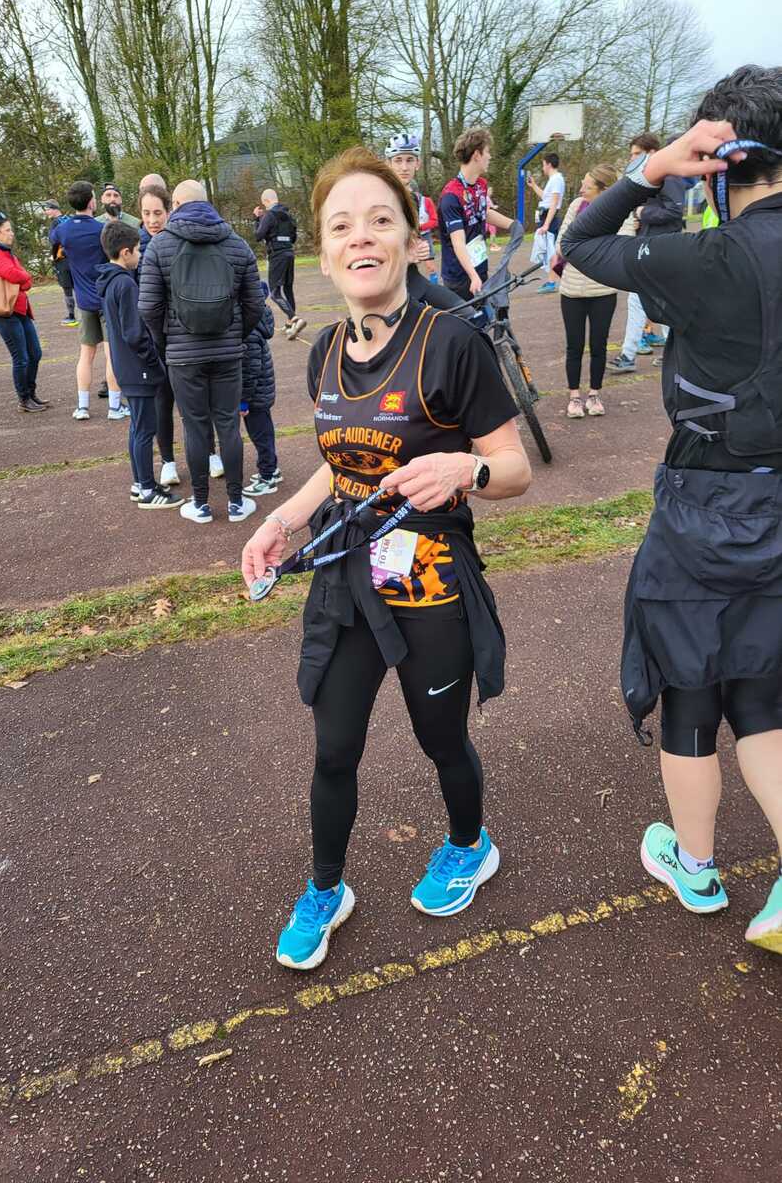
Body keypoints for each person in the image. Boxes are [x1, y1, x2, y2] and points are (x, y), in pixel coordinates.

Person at [240, 146, 531, 971]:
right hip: (349, 579)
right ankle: (326, 888)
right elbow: (342, 461)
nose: (360, 237)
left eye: (379, 221)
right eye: (341, 226)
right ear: (324, 251)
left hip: (431, 581)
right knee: (334, 747)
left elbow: (514, 469)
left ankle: (470, 845)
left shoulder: (454, 344)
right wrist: (282, 520)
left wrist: (466, 470)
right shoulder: (324, 352)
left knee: (442, 740)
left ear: (410, 239)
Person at [562, 64, 782, 956]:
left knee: (690, 681)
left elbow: (581, 242)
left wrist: (651, 171)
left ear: (719, 159)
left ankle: (695, 866)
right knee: (762, 690)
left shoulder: (711, 256)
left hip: (703, 503)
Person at [139, 179, 265, 523]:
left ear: (176, 205)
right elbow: (256, 304)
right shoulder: (236, 243)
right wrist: (237, 334)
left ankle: (201, 503)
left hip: (183, 355)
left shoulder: (159, 246)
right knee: (228, 425)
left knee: (194, 426)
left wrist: (166, 340)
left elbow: (148, 307)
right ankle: (237, 501)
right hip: (228, 352)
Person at [96, 221, 182, 510]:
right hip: (138, 369)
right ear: (125, 252)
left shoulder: (111, 281)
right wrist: (153, 361)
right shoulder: (125, 284)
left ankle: (140, 483)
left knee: (137, 428)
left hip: (126, 367)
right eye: (138, 250)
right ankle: (146, 488)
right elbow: (135, 334)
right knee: (145, 429)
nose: (141, 255)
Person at [556, 164, 635, 418]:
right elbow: (561, 246)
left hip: (603, 291)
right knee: (574, 346)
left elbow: (622, 248)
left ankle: (594, 394)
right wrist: (597, 249)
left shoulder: (621, 212)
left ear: (603, 190)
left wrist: (581, 248)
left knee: (599, 345)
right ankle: (574, 397)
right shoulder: (576, 206)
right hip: (572, 290)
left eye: (587, 185)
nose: (581, 188)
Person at [607, 133, 688, 373]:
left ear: (652, 152)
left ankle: (630, 355)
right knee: (657, 301)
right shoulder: (651, 177)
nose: (632, 158)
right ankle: (666, 352)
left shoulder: (669, 175)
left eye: (636, 153)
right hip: (650, 247)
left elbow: (675, 212)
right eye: (631, 154)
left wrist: (643, 213)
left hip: (662, 248)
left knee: (646, 300)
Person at [50, 180, 129, 421]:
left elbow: (54, 242)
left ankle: (82, 407)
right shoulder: (101, 229)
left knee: (86, 355)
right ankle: (114, 407)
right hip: (106, 299)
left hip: (83, 302)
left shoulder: (63, 230)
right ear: (92, 202)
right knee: (113, 354)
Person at [0, 212, 48, 413]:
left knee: (35, 353)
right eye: (7, 230)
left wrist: (23, 278)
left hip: (20, 309)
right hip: (4, 313)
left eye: (11, 230)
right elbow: (14, 274)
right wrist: (24, 277)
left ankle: (31, 393)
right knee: (21, 358)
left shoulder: (7, 252)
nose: (12, 233)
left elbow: (24, 281)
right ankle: (24, 399)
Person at [438, 126, 517, 300]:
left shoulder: (481, 185)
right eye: (487, 152)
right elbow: (458, 242)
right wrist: (473, 276)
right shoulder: (451, 196)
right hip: (460, 277)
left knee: (488, 315)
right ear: (476, 155)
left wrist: (512, 225)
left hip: (479, 267)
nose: (490, 157)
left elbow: (483, 213)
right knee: (468, 318)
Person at [137, 182, 180, 488]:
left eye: (157, 213)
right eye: (146, 213)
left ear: (168, 212)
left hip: (182, 336)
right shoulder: (134, 247)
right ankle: (168, 461)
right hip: (153, 340)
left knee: (194, 403)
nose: (152, 220)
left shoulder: (180, 242)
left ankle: (210, 453)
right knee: (161, 402)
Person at [241, 282, 282, 497]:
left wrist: (243, 401)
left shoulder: (249, 333)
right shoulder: (260, 322)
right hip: (262, 392)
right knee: (264, 432)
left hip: (255, 395)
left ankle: (267, 476)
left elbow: (250, 371)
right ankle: (271, 469)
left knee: (260, 435)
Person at [253, 188, 307, 340]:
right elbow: (294, 238)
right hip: (289, 254)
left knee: (275, 293)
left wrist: (257, 219)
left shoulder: (269, 215)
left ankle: (295, 319)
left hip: (277, 255)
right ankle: (290, 325)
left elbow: (258, 235)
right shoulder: (289, 215)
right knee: (288, 289)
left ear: (266, 201)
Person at [384, 132, 439, 280]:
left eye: (409, 160)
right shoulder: (381, 196)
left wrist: (418, 244)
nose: (404, 167)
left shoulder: (414, 197)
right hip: (388, 276)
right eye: (398, 160)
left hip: (410, 273)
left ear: (417, 164)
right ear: (388, 164)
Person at [525, 152, 566, 292]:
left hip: (549, 217)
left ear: (548, 164)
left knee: (552, 251)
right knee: (550, 250)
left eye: (543, 165)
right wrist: (534, 186)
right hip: (546, 216)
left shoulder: (557, 179)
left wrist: (546, 224)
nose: (543, 168)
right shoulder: (553, 179)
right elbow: (546, 197)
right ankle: (553, 281)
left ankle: (552, 282)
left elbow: (554, 203)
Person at [43, 200, 78, 327]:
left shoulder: (55, 223)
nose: (46, 212)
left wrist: (55, 256)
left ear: (54, 209)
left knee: (67, 289)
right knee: (79, 286)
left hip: (62, 261)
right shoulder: (69, 219)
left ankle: (72, 316)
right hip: (75, 259)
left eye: (47, 209)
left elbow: (53, 241)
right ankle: (87, 315)